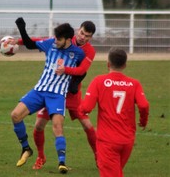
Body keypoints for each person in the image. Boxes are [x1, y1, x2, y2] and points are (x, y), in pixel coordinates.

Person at [10, 17, 85, 174]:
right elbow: (30, 44)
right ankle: (26, 148)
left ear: (67, 39)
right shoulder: (50, 43)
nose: (55, 40)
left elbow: (82, 72)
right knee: (15, 115)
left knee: (57, 127)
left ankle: (61, 163)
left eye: (59, 38)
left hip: (57, 95)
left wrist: (73, 86)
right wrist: (22, 29)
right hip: (39, 90)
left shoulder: (78, 53)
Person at [31, 21, 97, 170]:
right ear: (77, 31)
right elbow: (39, 41)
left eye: (87, 36)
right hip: (53, 92)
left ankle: (98, 156)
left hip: (71, 95)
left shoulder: (90, 51)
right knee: (39, 125)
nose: (83, 38)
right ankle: (41, 156)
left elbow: (81, 71)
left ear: (91, 37)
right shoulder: (65, 38)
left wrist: (64, 70)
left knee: (87, 125)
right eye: (81, 33)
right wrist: (18, 41)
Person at [78, 48, 149, 177]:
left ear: (108, 64)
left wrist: (81, 110)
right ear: (125, 65)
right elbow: (144, 105)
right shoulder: (134, 84)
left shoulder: (99, 81)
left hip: (107, 141)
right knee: (116, 172)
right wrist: (143, 121)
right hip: (127, 140)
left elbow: (87, 107)